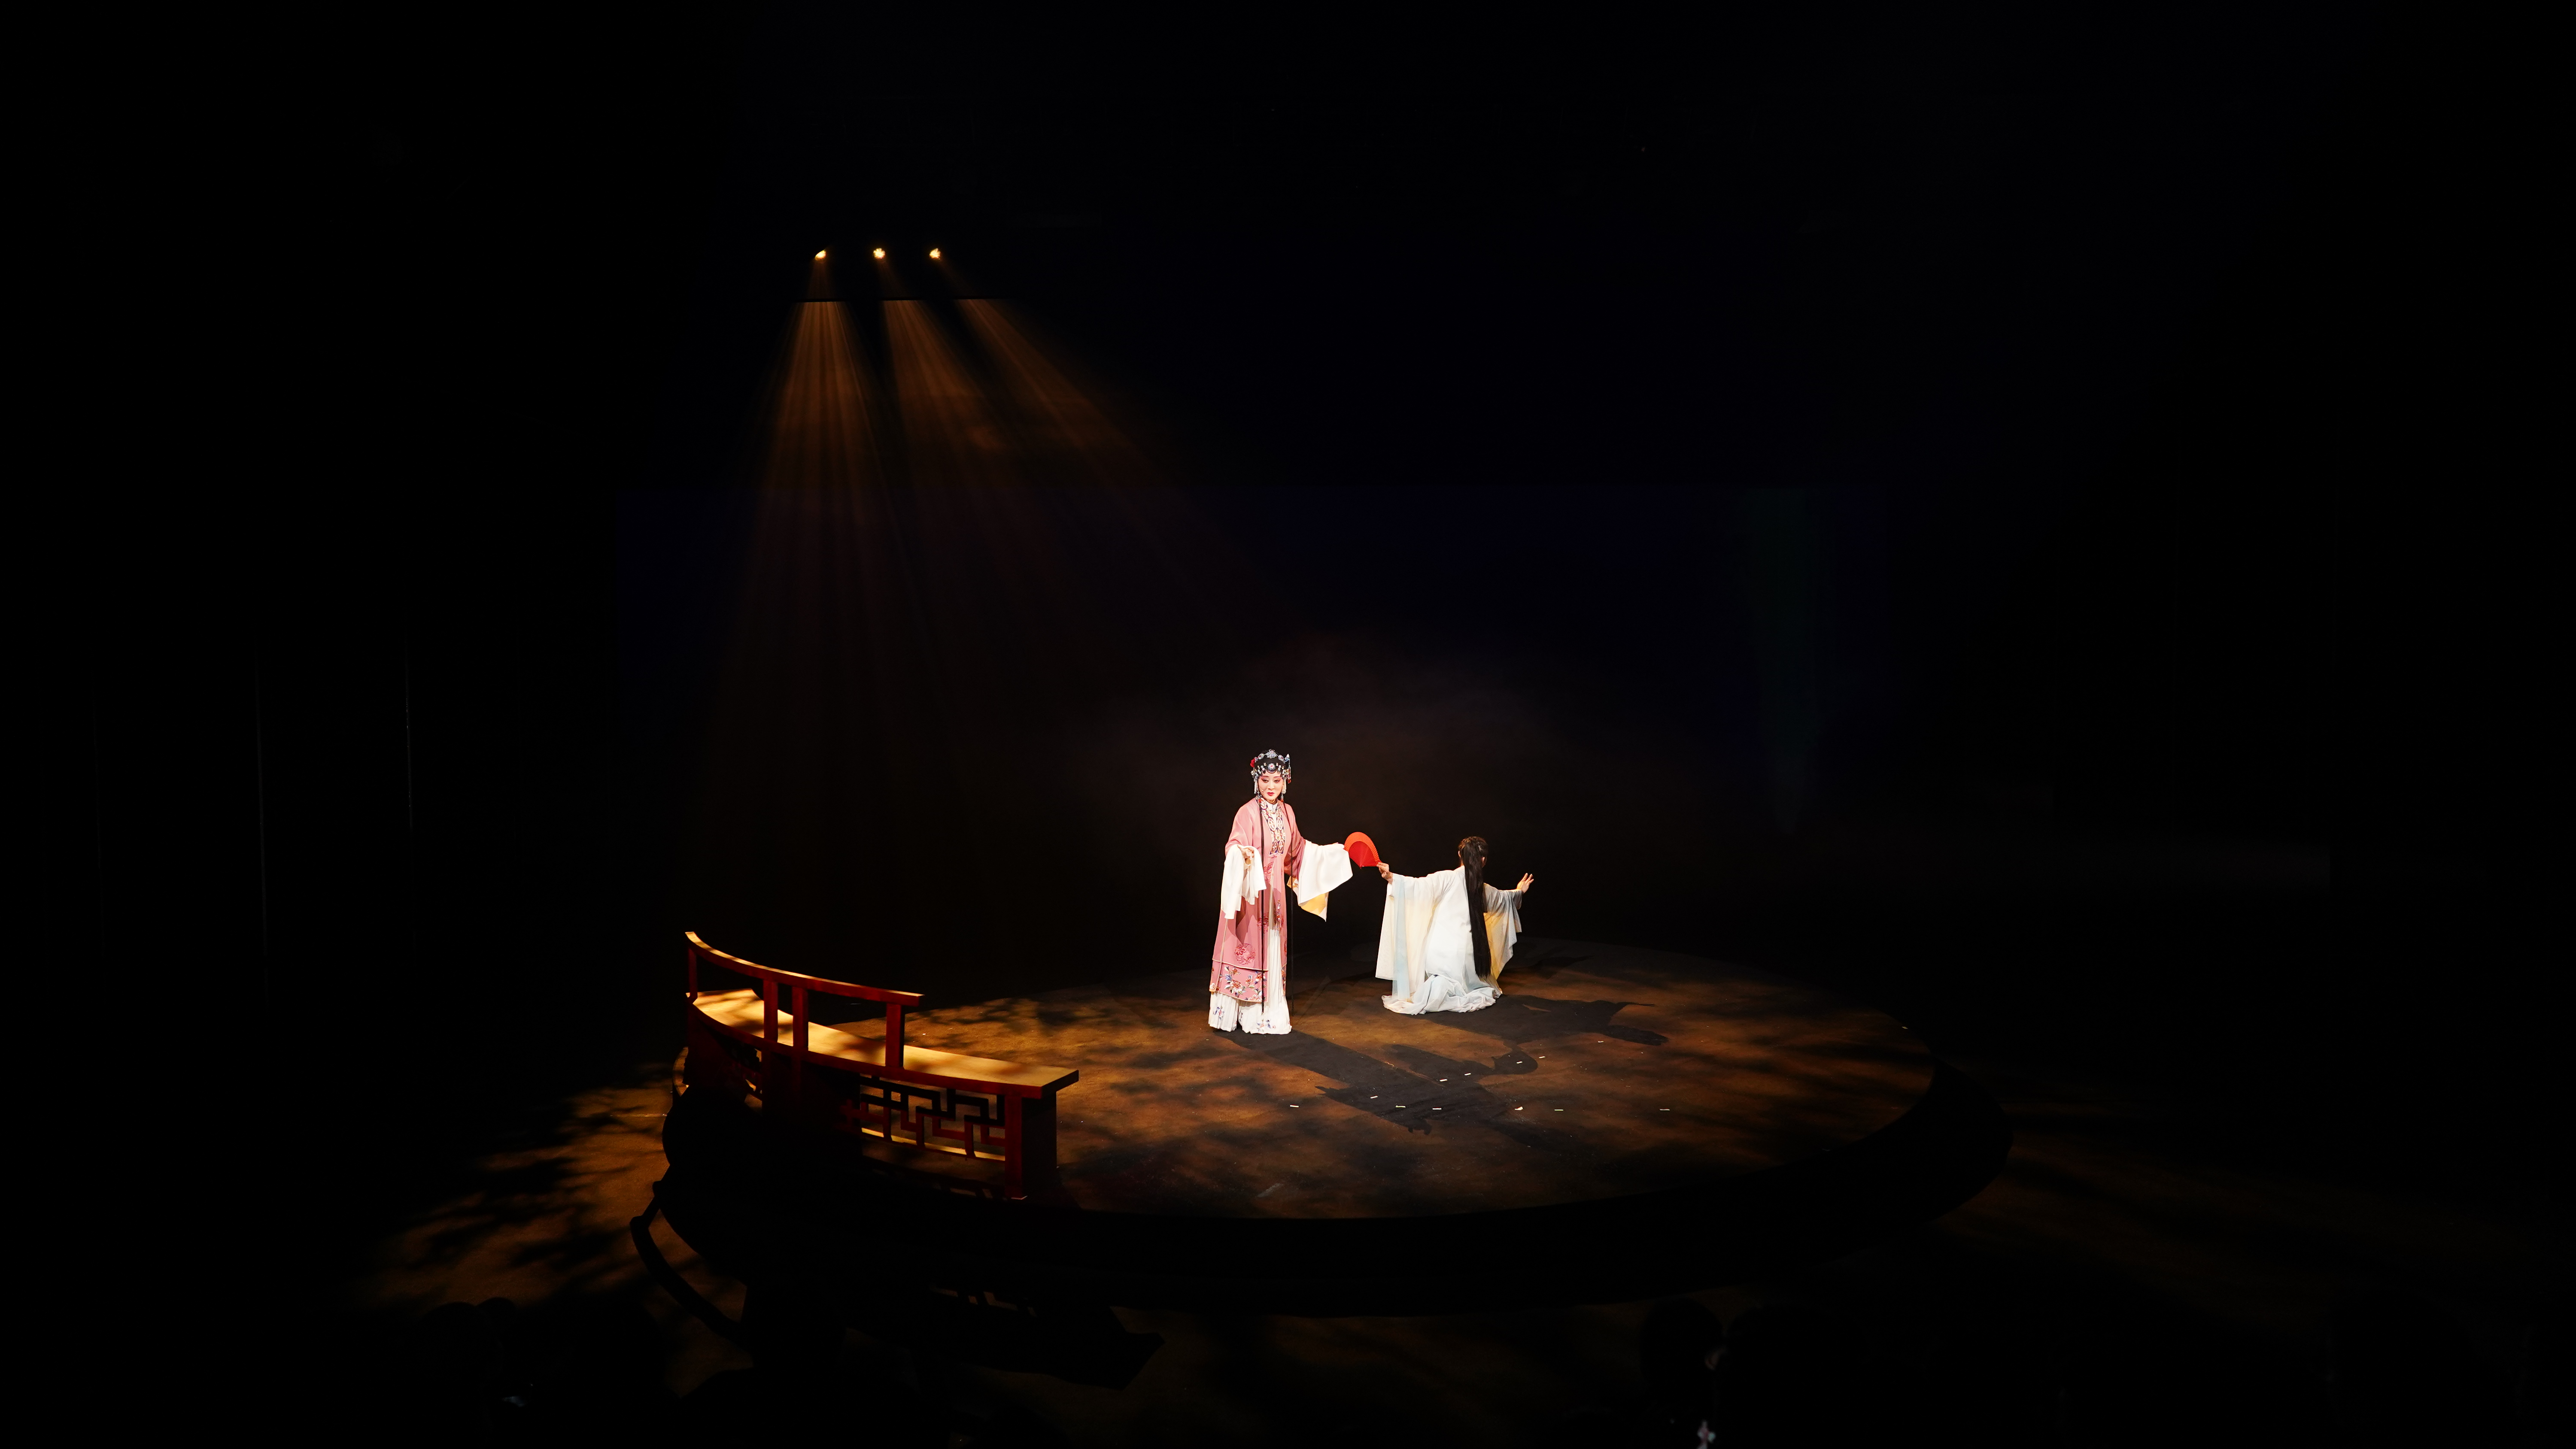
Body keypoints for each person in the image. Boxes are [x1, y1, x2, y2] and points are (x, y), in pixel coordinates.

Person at [1209, 751, 1350, 1034]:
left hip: (1275, 897)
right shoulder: (1247, 812)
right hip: (1251, 894)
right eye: (1265, 780)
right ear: (1256, 781)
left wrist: (1335, 854)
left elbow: (1297, 852)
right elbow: (1233, 845)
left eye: (1277, 780)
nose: (1271, 786)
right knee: (1247, 948)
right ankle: (1245, 1011)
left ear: (1285, 781)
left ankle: (1270, 1009)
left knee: (1272, 946)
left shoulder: (1288, 812)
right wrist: (1242, 854)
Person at [1373, 835, 1532, 1015]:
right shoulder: (1482, 889)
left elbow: (1417, 886)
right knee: (1467, 980)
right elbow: (1505, 898)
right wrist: (1520, 891)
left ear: (1459, 855)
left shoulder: (1447, 878)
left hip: (1439, 952)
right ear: (1483, 860)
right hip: (1467, 955)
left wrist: (1391, 877)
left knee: (1440, 981)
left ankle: (1440, 988)